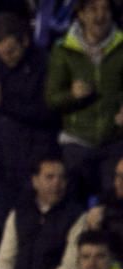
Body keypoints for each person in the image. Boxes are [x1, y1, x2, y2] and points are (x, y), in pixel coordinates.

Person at [0, 13, 59, 227]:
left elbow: (47, 113)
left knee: (31, 223)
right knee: (2, 222)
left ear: (24, 41)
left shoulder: (43, 63)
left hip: (34, 159)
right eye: (1, 53)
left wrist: (3, 102)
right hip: (1, 162)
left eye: (11, 51)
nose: (6, 57)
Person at [45, 0, 123, 199]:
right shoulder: (63, 49)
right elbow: (52, 99)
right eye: (93, 9)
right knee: (72, 202)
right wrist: (72, 95)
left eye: (105, 8)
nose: (100, 15)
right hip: (77, 142)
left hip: (114, 140)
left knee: (113, 203)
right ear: (80, 14)